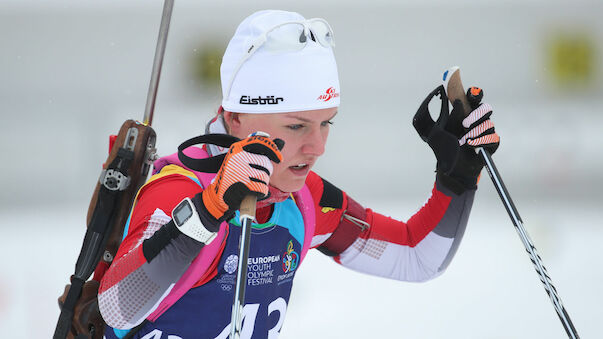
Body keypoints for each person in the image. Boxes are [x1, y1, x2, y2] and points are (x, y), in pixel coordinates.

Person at [98, 9, 499, 339]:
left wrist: (457, 178)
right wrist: (206, 212)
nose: (317, 146)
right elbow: (118, 308)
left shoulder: (302, 200)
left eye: (327, 123)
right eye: (296, 126)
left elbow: (416, 256)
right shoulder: (179, 191)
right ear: (236, 117)